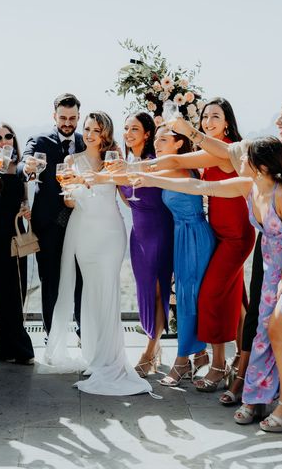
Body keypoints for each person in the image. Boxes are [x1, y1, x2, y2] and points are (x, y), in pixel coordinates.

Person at [135, 135, 282, 431]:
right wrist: (148, 179)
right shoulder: (248, 186)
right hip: (275, 269)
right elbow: (200, 186)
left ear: (260, 165)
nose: (237, 161)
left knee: (277, 328)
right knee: (265, 333)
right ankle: (257, 395)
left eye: (243, 157)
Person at [39, 111, 151, 396]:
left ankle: (111, 358)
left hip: (112, 232)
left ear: (105, 133)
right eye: (87, 129)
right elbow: (67, 200)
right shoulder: (70, 162)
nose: (89, 134)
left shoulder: (116, 160)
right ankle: (93, 353)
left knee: (109, 289)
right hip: (85, 231)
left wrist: (132, 178)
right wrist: (80, 188)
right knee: (90, 292)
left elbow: (127, 197)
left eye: (96, 130)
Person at [148, 98, 255, 397]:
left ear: (227, 122)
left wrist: (185, 129)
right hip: (217, 236)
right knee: (239, 305)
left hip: (235, 237)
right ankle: (242, 361)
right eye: (205, 116)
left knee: (211, 296)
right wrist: (133, 168)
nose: (209, 121)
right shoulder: (208, 149)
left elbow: (183, 161)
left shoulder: (230, 149)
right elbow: (178, 162)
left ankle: (219, 364)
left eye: (215, 117)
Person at [18, 93, 84, 336]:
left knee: (81, 278)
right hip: (47, 224)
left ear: (79, 116)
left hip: (79, 221)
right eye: (63, 117)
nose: (67, 122)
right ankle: (51, 334)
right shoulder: (39, 139)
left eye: (72, 118)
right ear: (54, 116)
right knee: (50, 280)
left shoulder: (85, 141)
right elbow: (25, 161)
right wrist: (27, 167)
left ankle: (82, 332)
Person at [115, 112, 173, 377]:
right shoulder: (129, 162)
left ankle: (149, 353)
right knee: (144, 292)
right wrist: (116, 180)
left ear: (147, 134)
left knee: (158, 291)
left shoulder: (153, 162)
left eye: (134, 128)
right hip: (138, 234)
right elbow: (130, 201)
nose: (128, 133)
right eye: (126, 128)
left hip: (159, 231)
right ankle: (154, 345)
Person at [0, 123, 35, 364]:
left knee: (18, 291)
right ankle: (22, 349)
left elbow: (23, 199)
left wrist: (25, 209)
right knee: (1, 293)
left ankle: (4, 348)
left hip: (15, 235)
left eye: (8, 136)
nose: (5, 141)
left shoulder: (20, 168)